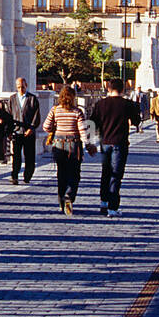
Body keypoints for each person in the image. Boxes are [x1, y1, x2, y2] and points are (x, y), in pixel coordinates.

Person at [90, 78, 142, 216]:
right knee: (116, 175)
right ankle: (113, 207)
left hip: (105, 142)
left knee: (106, 172)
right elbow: (137, 121)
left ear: (108, 88)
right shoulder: (128, 104)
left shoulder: (100, 104)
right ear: (123, 90)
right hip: (120, 142)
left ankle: (104, 202)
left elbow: (92, 123)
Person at [43, 86, 88, 214]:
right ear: (73, 97)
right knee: (74, 174)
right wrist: (88, 145)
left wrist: (55, 129)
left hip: (58, 144)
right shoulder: (77, 112)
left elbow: (46, 126)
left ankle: (61, 202)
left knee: (61, 174)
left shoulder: (55, 110)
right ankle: (69, 194)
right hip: (73, 145)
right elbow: (83, 131)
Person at [6, 77, 41, 185]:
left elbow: (36, 115)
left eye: (23, 87)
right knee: (16, 156)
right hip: (17, 132)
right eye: (18, 87)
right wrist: (9, 131)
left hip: (28, 133)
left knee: (29, 156)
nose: (21, 89)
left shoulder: (32, 98)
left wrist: (31, 128)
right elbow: (9, 116)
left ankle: (27, 176)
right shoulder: (12, 99)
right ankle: (14, 176)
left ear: (26, 86)